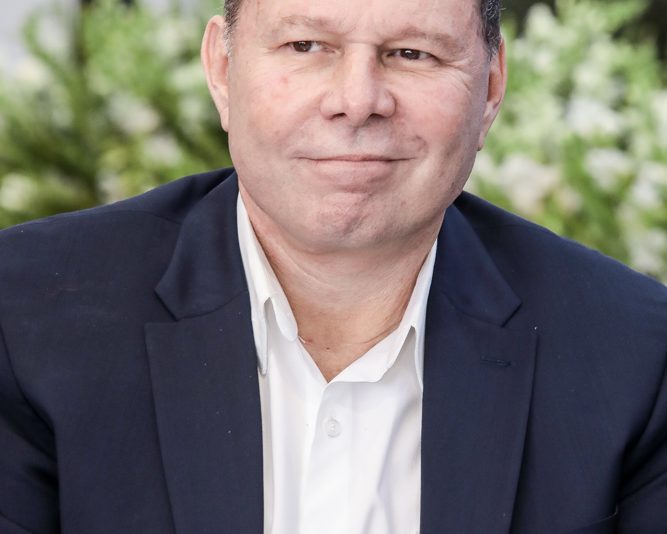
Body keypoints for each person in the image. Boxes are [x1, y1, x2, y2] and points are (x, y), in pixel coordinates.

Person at [0, 0, 666, 532]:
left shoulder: (635, 356)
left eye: (412, 53)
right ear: (222, 70)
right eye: (306, 46)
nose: (357, 99)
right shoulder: (24, 315)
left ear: (490, 89)